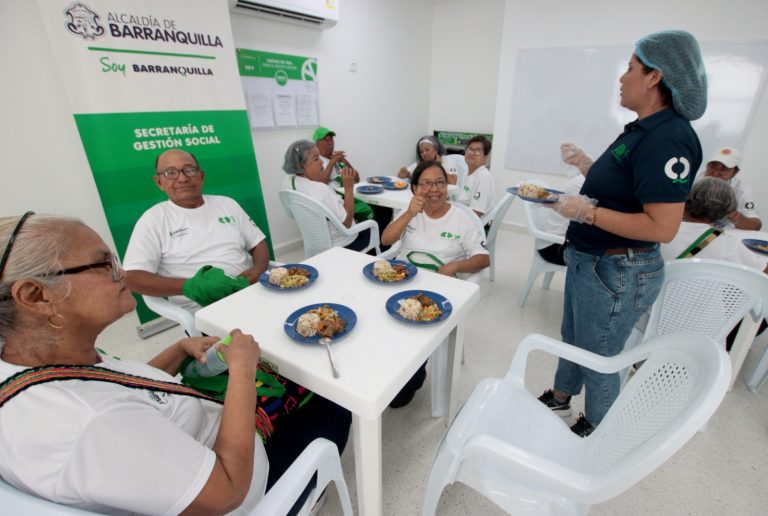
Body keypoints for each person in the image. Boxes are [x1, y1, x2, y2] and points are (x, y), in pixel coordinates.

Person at [0, 213, 350, 514]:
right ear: (36, 296)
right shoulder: (88, 424)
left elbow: (123, 386)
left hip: (194, 436)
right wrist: (243, 369)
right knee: (335, 399)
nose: (121, 273)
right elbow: (227, 493)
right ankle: (306, 493)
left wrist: (179, 349)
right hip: (240, 486)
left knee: (297, 375)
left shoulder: (38, 364)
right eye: (103, 263)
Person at [537, 30, 708, 437]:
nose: (621, 77)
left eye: (630, 68)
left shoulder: (670, 138)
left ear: (654, 77)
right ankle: (561, 395)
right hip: (591, 259)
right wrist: (586, 165)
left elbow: (662, 227)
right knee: (574, 335)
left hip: (618, 268)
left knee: (600, 355)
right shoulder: (643, 129)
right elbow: (627, 185)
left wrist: (588, 213)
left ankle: (597, 429)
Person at [382, 161, 490, 407]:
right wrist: (410, 213)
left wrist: (453, 266)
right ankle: (387, 366)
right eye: (426, 184)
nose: (434, 189)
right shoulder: (409, 210)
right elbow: (386, 239)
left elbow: (483, 259)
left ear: (447, 186)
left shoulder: (462, 217)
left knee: (398, 396)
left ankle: (413, 370)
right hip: (401, 280)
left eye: (440, 182)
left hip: (437, 289)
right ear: (414, 188)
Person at [124, 149, 270, 311]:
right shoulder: (153, 220)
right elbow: (132, 277)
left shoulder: (227, 204)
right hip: (203, 307)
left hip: (250, 290)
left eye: (189, 170)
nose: (182, 178)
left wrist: (255, 272)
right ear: (159, 182)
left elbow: (258, 244)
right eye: (171, 172)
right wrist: (190, 286)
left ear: (201, 176)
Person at [282, 139, 374, 252]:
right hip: (346, 245)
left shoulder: (288, 183)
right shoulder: (321, 190)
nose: (321, 162)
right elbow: (347, 223)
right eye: (316, 159)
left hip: (315, 244)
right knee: (379, 221)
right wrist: (348, 188)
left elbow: (291, 214)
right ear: (302, 166)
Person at [701, 147, 762, 230]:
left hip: (720, 233)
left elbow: (755, 226)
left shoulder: (742, 190)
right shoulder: (691, 180)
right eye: (712, 167)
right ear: (706, 165)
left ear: (734, 173)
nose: (715, 173)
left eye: (723, 169)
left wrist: (733, 214)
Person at [396, 135, 466, 185]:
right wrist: (404, 173)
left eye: (427, 150)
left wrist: (437, 167)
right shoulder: (421, 162)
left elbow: (453, 181)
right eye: (421, 152)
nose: (424, 154)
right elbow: (400, 176)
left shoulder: (447, 161)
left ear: (435, 150)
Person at [456, 135, 496, 218]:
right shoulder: (469, 173)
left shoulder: (483, 176)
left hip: (474, 225)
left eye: (477, 151)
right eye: (470, 149)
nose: (471, 153)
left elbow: (476, 212)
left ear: (485, 157)